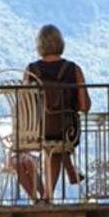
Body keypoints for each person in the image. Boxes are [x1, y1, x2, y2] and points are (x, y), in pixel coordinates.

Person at [21, 24, 91, 200]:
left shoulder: (31, 71)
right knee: (58, 142)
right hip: (67, 130)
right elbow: (84, 106)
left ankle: (45, 196)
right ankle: (50, 192)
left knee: (50, 142)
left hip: (37, 129)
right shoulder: (73, 69)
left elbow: (23, 105)